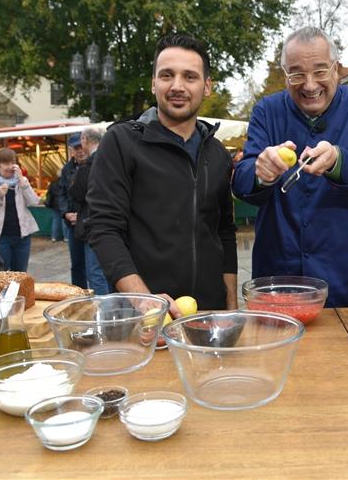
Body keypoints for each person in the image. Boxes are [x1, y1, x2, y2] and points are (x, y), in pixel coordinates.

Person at [231, 27, 348, 307]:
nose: (310, 85)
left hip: (345, 288)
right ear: (285, 74)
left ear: (336, 69)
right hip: (277, 283)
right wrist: (259, 172)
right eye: (297, 74)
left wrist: (341, 163)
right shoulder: (267, 111)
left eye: (321, 71)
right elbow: (241, 183)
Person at [88, 34, 237, 313]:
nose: (177, 86)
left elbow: (224, 232)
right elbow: (103, 228)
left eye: (189, 77)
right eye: (167, 75)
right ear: (153, 83)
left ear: (207, 87)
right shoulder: (121, 141)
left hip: (208, 314)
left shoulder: (217, 152)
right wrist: (145, 301)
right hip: (140, 315)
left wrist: (230, 305)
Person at [0, 148, 40, 271]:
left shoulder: (22, 182)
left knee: (20, 274)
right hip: (1, 236)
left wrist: (23, 183)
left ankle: (19, 292)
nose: (10, 167)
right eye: (6, 163)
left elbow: (34, 202)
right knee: (2, 274)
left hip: (22, 236)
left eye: (13, 163)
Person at [68, 127, 111, 295]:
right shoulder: (111, 157)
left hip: (94, 223)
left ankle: (104, 313)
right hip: (112, 221)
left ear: (85, 139)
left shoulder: (91, 163)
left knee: (95, 273)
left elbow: (77, 193)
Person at [58, 135, 89, 288]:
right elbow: (61, 193)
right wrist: (66, 213)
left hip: (89, 223)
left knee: (95, 266)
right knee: (77, 263)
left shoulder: (94, 164)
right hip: (72, 223)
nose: (80, 151)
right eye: (76, 148)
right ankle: (79, 293)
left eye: (81, 147)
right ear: (71, 151)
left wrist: (82, 216)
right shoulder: (66, 169)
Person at [44, 173, 65, 242]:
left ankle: (54, 237)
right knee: (64, 220)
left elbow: (49, 193)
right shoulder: (65, 182)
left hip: (54, 204)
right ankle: (66, 237)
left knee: (55, 220)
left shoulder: (53, 183)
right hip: (63, 203)